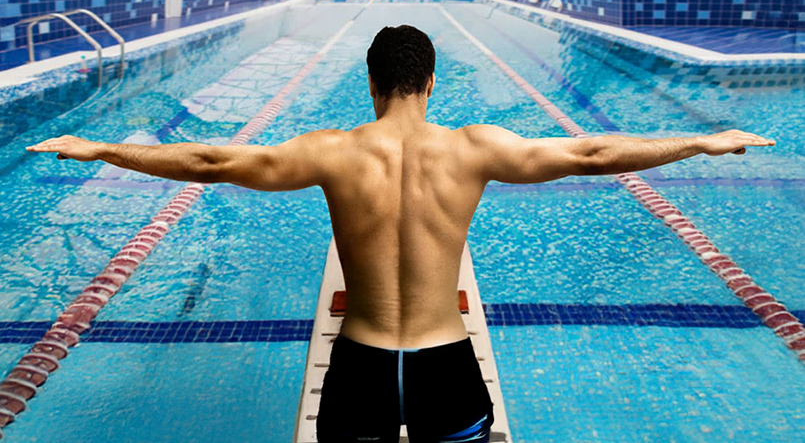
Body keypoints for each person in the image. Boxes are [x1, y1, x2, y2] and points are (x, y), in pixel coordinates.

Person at [27, 25, 775, 443]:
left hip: (358, 367)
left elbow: (212, 161)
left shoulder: (332, 151)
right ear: (430, 82)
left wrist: (101, 148)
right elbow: (591, 154)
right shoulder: (473, 147)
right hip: (447, 364)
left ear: (371, 83)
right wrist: (699, 142)